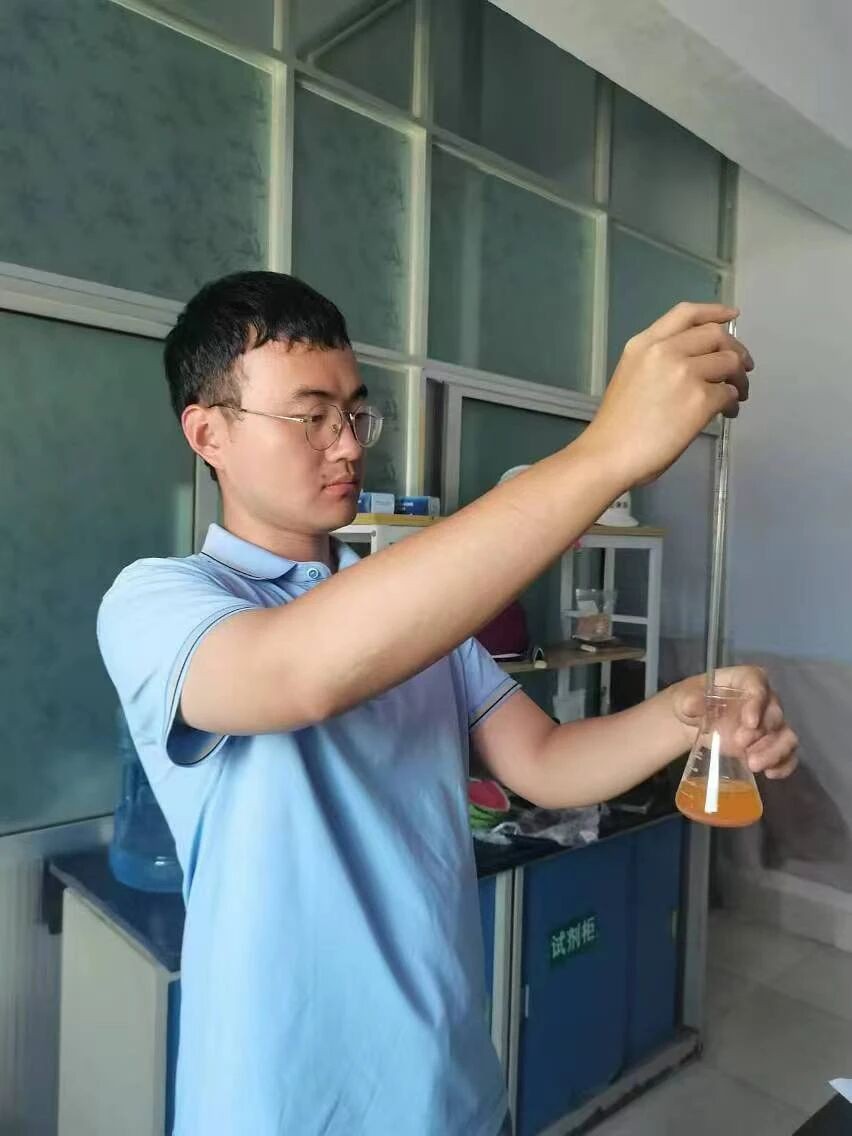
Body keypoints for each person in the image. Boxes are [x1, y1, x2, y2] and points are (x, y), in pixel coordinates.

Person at [97, 272, 798, 1136]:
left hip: (452, 1091)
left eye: (355, 414)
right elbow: (295, 674)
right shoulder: (160, 602)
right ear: (209, 432)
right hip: (281, 1108)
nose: (346, 444)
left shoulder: (418, 624)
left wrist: (685, 710)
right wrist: (604, 453)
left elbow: (546, 763)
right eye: (311, 416)